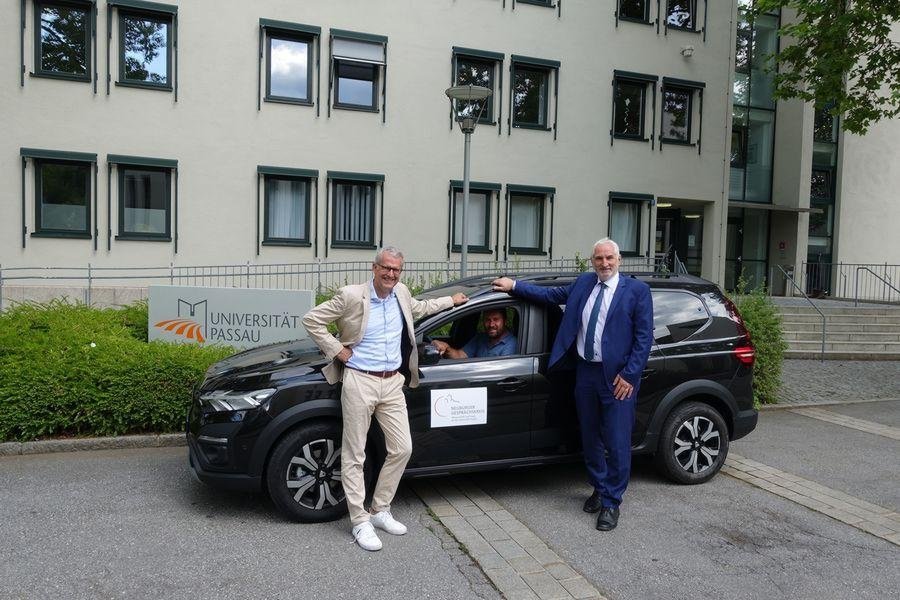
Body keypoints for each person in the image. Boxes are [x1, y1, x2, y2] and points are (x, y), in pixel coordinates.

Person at [302, 246, 468, 551]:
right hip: (360, 380)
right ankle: (359, 521)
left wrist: (451, 301)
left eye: (396, 270)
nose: (391, 274)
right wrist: (337, 349)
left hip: (392, 382)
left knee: (402, 448)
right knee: (355, 455)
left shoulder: (401, 292)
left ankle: (379, 510)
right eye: (386, 268)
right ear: (374, 268)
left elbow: (420, 308)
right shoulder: (352, 296)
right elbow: (312, 319)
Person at [491, 238, 653, 531]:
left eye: (609, 258)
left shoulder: (637, 291)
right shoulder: (584, 283)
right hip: (586, 373)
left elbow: (644, 338)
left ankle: (612, 502)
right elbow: (552, 295)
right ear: (592, 261)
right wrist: (514, 286)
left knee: (617, 442)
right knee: (589, 437)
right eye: (599, 259)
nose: (604, 263)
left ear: (619, 260)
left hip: (617, 377)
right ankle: (600, 487)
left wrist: (630, 375)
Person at [430, 309, 517, 359]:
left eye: (496, 319)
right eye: (487, 320)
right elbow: (461, 355)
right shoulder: (481, 338)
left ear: (505, 321)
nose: (491, 324)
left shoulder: (511, 344)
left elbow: (502, 372)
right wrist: (446, 348)